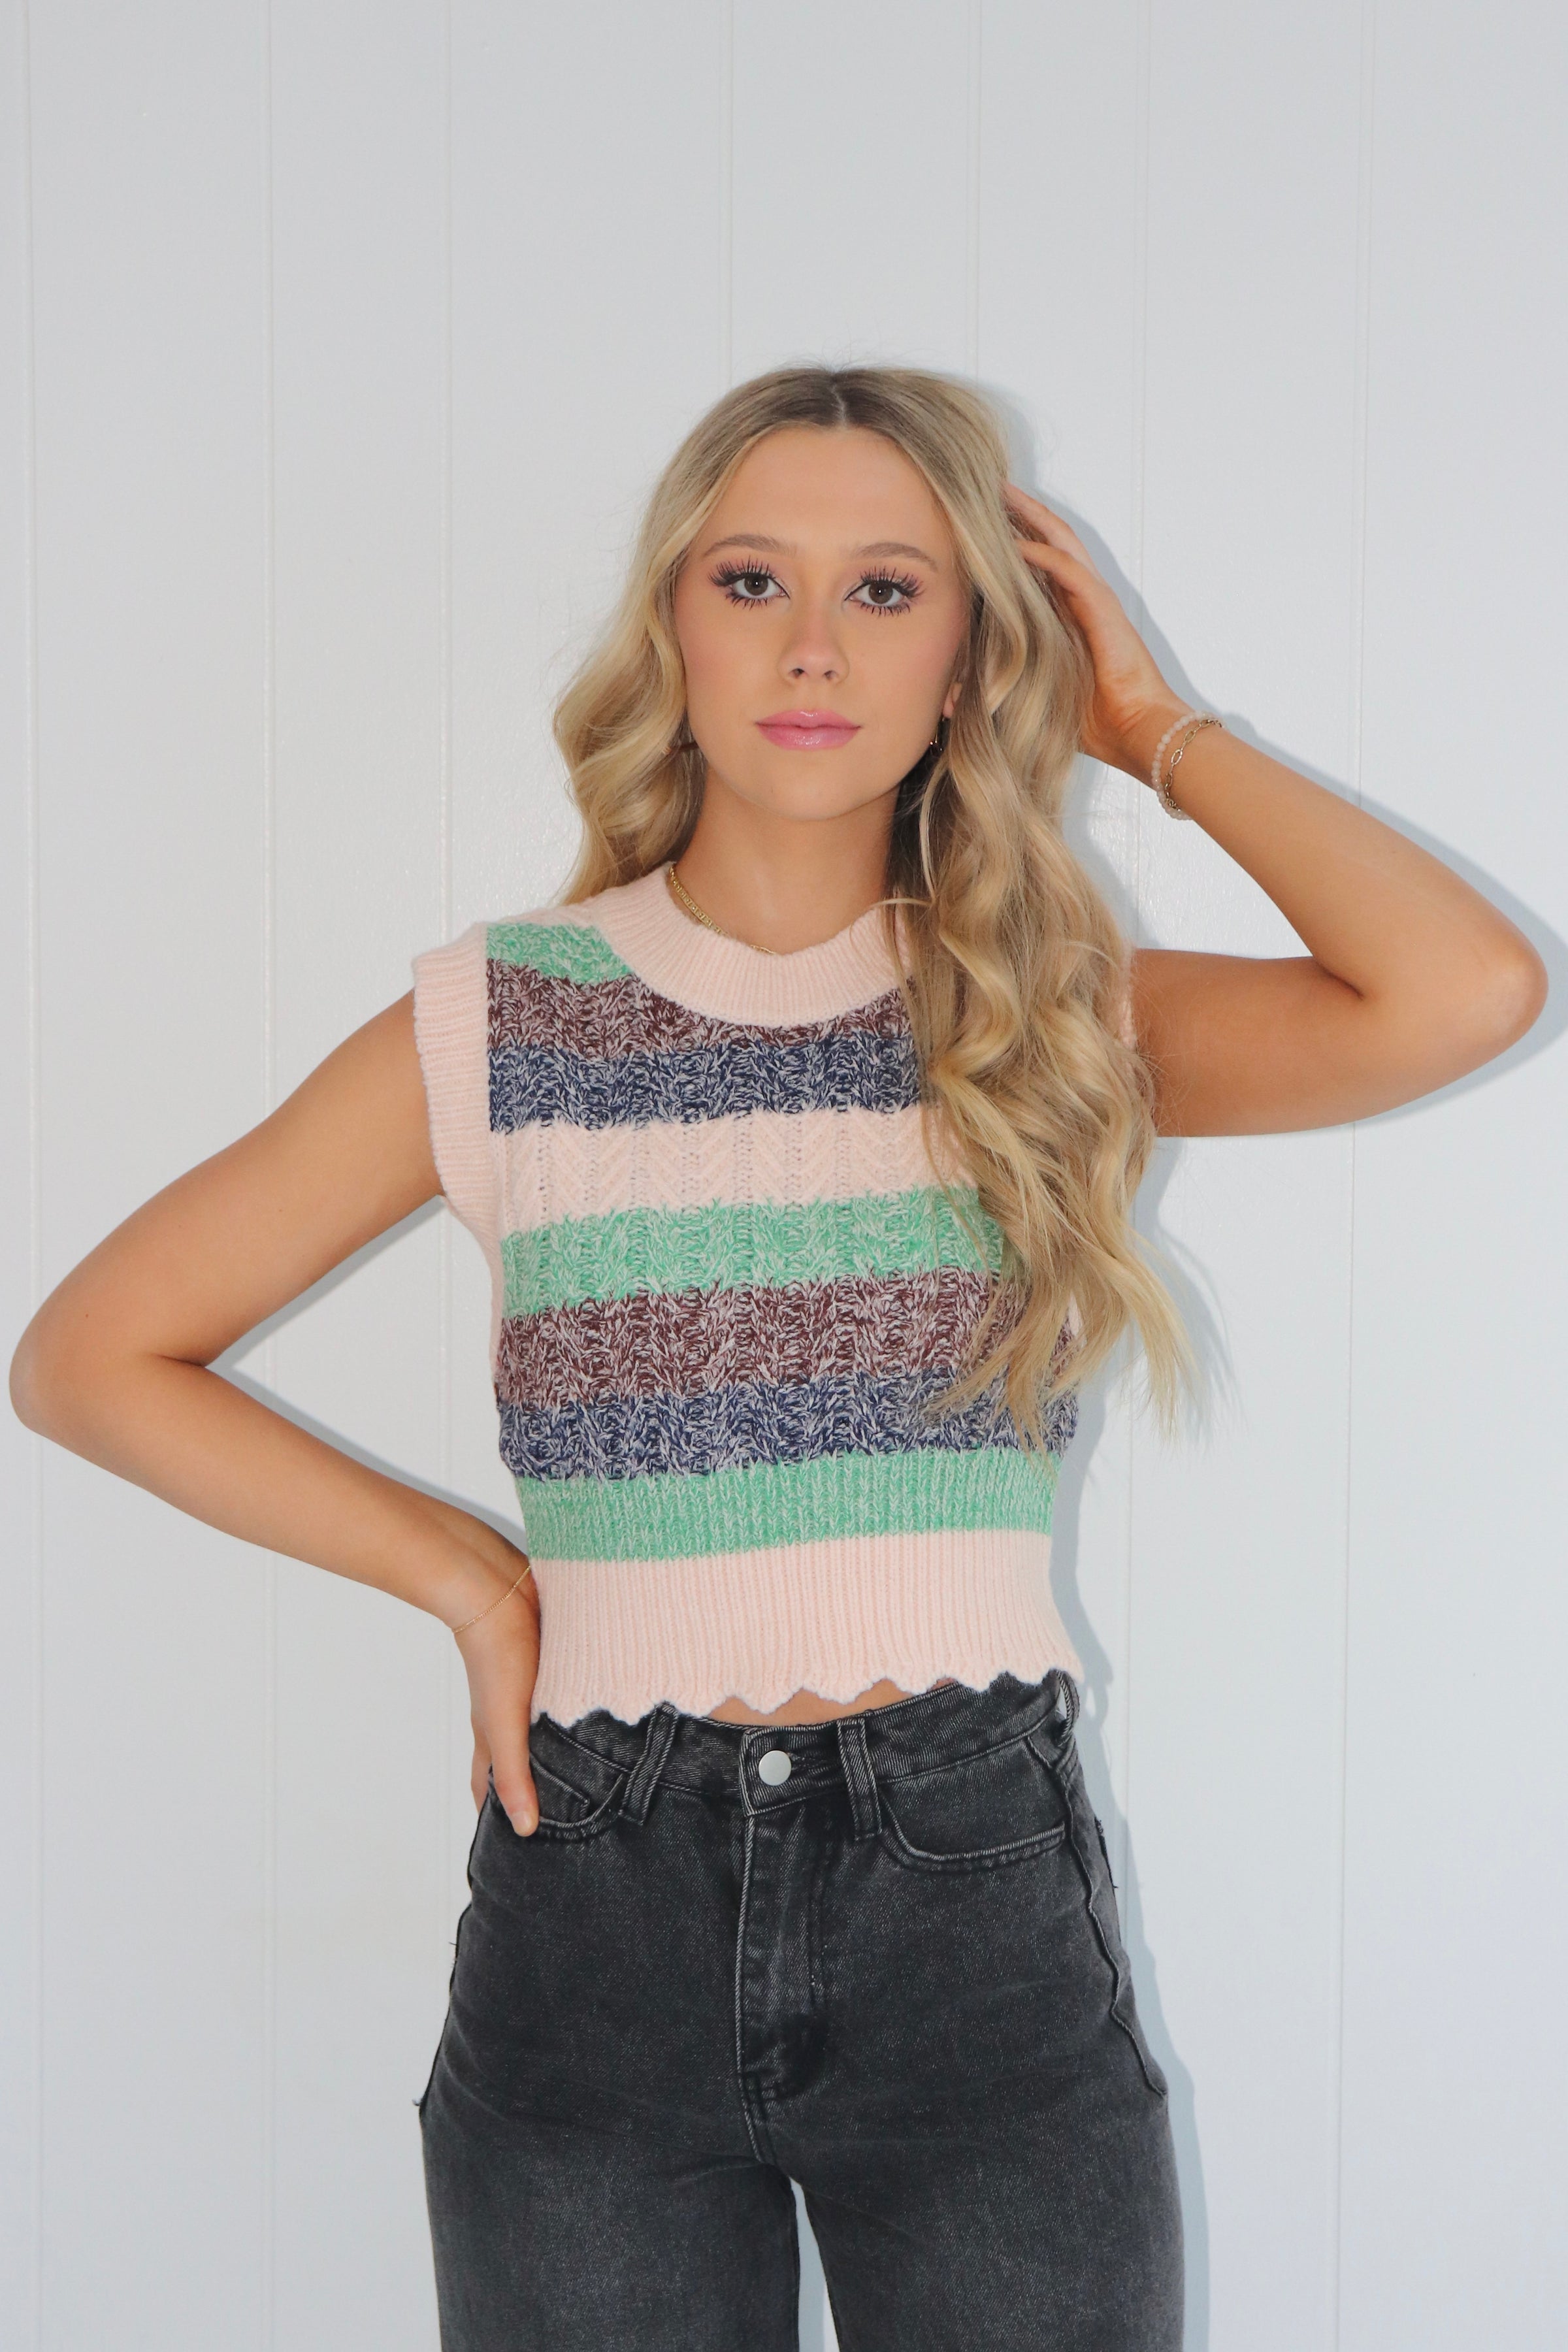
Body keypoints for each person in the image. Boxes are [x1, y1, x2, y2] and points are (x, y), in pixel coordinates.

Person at [9, 363, 1544, 2351]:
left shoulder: (1055, 1018)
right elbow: (91, 1356)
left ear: (974, 658)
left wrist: (1158, 730)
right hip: (594, 1904)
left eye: (888, 591)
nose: (814, 644)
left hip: (972, 1895)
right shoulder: (502, 1026)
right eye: (753, 581)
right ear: (674, 627)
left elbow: (1464, 989)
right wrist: (472, 1579)